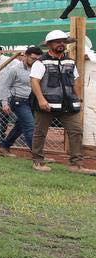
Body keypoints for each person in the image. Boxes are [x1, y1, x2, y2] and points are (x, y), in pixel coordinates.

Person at [29, 30, 93, 175]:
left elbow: (74, 81)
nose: (61, 44)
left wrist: (77, 97)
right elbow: (34, 81)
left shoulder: (70, 62)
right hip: (46, 104)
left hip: (68, 103)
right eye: (58, 42)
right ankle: (38, 161)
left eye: (63, 41)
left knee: (76, 131)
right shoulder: (40, 62)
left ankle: (76, 165)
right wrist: (41, 99)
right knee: (40, 133)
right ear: (49, 44)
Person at [0, 47, 41, 157]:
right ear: (25, 56)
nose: (35, 61)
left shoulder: (39, 68)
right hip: (18, 101)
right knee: (30, 126)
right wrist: (5, 103)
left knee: (21, 126)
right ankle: (38, 155)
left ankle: (4, 146)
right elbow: (5, 86)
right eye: (33, 58)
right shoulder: (15, 69)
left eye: (37, 59)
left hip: (33, 101)